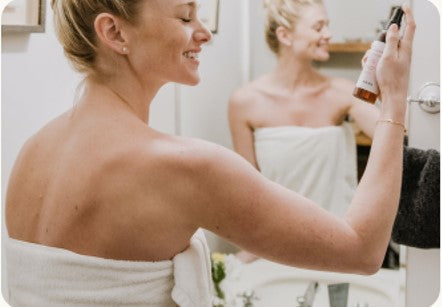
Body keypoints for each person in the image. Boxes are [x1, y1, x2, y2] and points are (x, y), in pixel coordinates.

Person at [5, 0, 415, 306]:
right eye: (185, 17)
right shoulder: (183, 166)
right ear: (114, 33)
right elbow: (362, 250)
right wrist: (395, 100)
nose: (205, 33)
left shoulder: (32, 152)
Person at [228, 0, 384, 262]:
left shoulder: (344, 93)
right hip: (277, 246)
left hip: (339, 246)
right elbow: (248, 194)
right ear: (285, 35)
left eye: (327, 26)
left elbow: (394, 137)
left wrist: (388, 79)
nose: (328, 34)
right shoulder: (244, 102)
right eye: (318, 27)